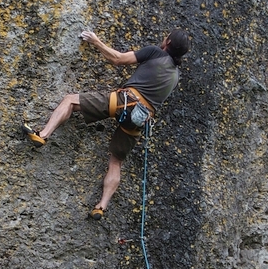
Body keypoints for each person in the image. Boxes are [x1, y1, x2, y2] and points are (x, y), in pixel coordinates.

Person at [23, 27, 189, 218]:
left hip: (124, 102)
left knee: (70, 100)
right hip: (140, 120)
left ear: (167, 42)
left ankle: (43, 135)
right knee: (116, 161)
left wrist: (95, 41)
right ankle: (101, 206)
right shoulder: (175, 76)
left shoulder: (155, 52)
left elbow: (117, 59)